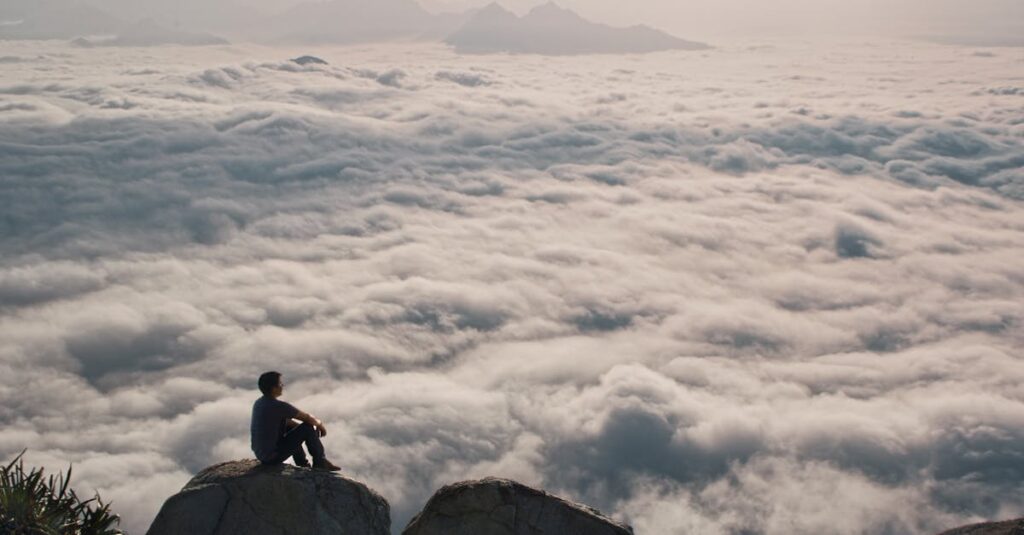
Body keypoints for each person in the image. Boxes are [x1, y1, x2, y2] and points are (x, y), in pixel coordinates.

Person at [250, 371, 341, 471]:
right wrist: (320, 426)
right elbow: (307, 418)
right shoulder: (279, 406)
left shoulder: (259, 403)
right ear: (274, 388)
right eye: (280, 384)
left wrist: (300, 433)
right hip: (272, 456)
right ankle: (320, 462)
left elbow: (287, 422)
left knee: (294, 428)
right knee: (308, 427)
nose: (282, 386)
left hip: (262, 454)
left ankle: (302, 463)